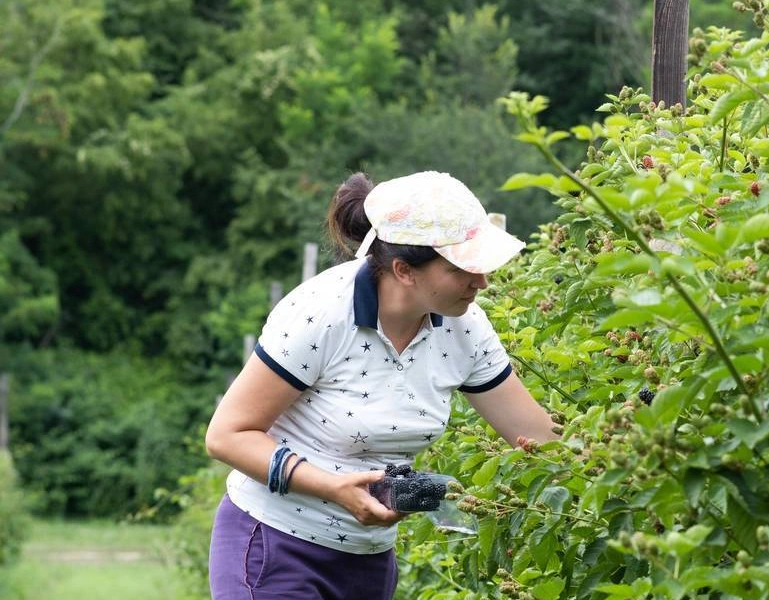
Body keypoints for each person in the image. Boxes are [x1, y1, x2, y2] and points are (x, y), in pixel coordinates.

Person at [204, 171, 558, 600]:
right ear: (404, 270)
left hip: (367, 560)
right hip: (274, 546)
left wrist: (616, 459)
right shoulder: (321, 315)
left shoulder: (465, 327)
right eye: (460, 269)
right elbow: (227, 435)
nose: (481, 282)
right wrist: (332, 488)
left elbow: (539, 440)